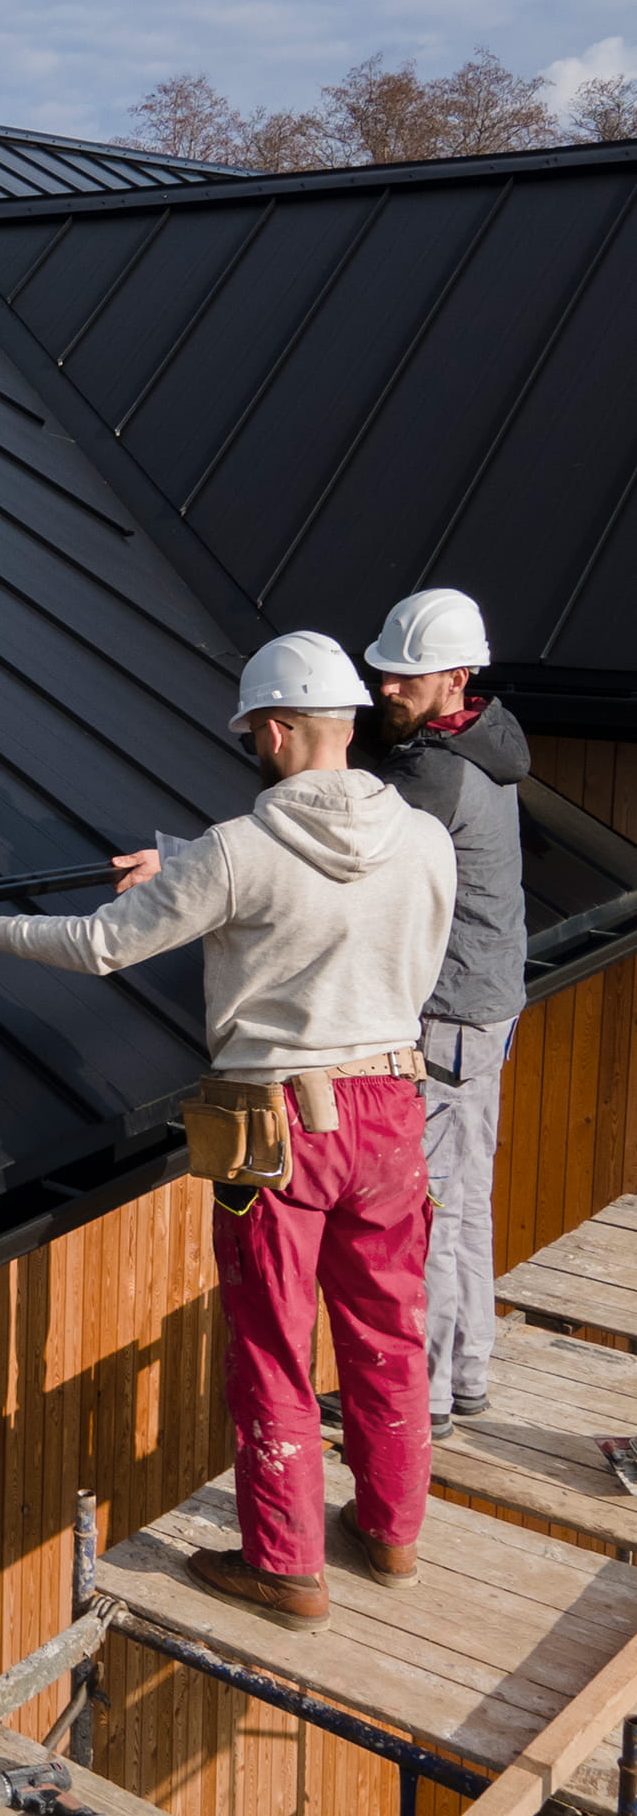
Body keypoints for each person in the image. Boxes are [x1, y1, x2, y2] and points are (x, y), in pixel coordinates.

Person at [0, 632, 453, 1630]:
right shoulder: (424, 836)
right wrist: (190, 862)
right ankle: (392, 1532)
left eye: (253, 731)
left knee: (276, 1343)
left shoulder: (241, 852)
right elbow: (326, 897)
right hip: (393, 1111)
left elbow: (101, 944)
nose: (251, 743)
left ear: (279, 730)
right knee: (388, 1329)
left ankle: (286, 1566)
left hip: (281, 1124)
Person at [359, 588, 527, 1442]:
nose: (384, 685)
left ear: (456, 676)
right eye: (382, 668)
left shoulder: (434, 774)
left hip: (453, 1016)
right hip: (484, 1007)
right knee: (466, 1200)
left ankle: (421, 1404)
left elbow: (350, 841)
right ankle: (464, 1378)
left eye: (405, 674)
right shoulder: (486, 742)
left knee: (430, 1209)